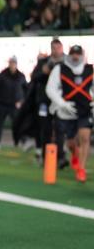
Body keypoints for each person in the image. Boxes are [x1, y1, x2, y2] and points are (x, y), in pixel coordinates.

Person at [46, 44, 92, 183]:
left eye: (78, 54)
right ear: (69, 55)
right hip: (67, 111)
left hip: (84, 109)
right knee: (71, 142)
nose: (75, 56)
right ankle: (75, 154)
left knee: (85, 137)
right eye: (73, 54)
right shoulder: (60, 69)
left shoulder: (90, 69)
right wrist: (62, 104)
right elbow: (50, 89)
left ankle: (82, 169)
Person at [0, 56, 27, 150]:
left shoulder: (21, 76)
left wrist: (21, 102)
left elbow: (26, 91)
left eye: (14, 63)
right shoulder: (2, 75)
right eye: (11, 62)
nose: (12, 64)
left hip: (14, 105)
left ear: (16, 64)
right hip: (1, 104)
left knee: (18, 124)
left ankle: (23, 142)